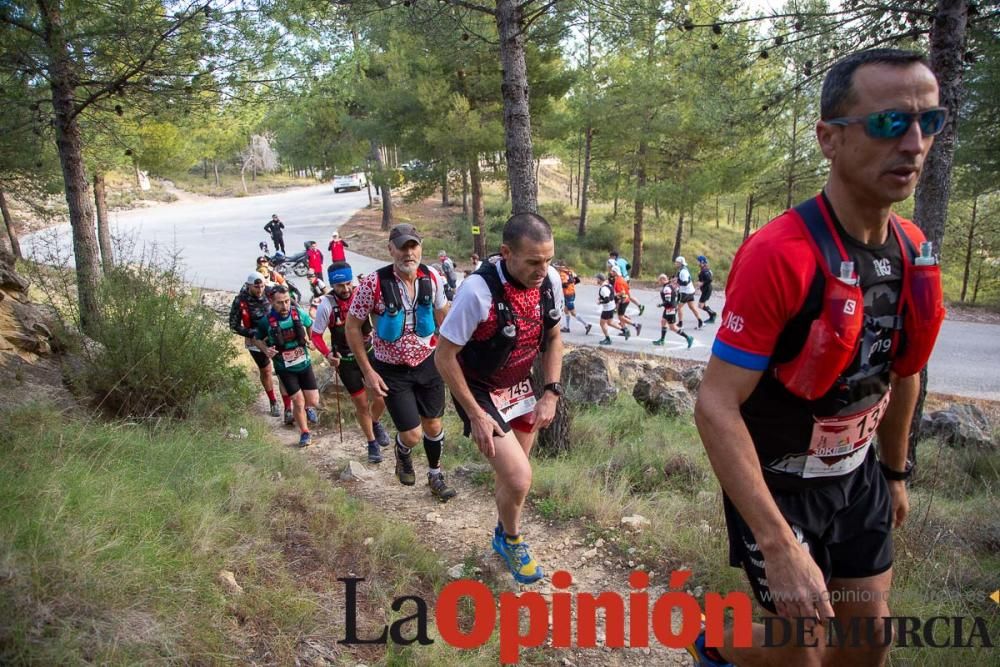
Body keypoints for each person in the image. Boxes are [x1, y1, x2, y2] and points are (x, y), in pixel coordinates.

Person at [689, 49, 947, 667]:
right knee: (800, 655)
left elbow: (902, 371)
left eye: (929, 122)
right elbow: (715, 405)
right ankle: (718, 644)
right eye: (889, 123)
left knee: (867, 643)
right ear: (829, 139)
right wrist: (777, 544)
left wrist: (894, 472)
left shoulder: (912, 248)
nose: (913, 143)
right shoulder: (780, 254)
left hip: (857, 477)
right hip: (779, 486)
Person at [435, 213, 564, 584]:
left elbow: (554, 338)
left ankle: (501, 533)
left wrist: (551, 392)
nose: (543, 270)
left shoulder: (549, 281)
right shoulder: (477, 293)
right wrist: (474, 414)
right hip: (478, 389)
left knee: (512, 476)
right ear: (506, 253)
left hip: (519, 385)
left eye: (548, 260)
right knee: (520, 478)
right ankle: (512, 539)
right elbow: (443, 357)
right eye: (533, 262)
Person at [346, 223, 457, 501]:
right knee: (412, 435)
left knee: (433, 425)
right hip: (391, 370)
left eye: (413, 246)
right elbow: (352, 326)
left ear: (420, 248)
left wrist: (455, 353)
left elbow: (444, 314)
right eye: (402, 247)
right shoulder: (373, 284)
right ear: (391, 249)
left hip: (428, 362)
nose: (409, 253)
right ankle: (402, 450)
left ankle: (435, 475)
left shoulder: (432, 277)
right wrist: (368, 372)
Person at [312, 261, 392, 463]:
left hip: (370, 354)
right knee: (361, 404)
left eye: (348, 283)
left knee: (382, 398)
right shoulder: (326, 305)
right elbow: (316, 336)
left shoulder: (362, 293)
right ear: (332, 284)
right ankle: (372, 444)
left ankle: (374, 423)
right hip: (346, 361)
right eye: (340, 286)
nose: (345, 289)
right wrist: (327, 353)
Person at [253, 285, 321, 448]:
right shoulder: (266, 322)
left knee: (312, 400)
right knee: (297, 401)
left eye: (286, 302)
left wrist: (311, 340)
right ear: (271, 301)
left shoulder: (298, 314)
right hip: (284, 368)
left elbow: (310, 324)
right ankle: (304, 432)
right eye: (279, 303)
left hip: (304, 364)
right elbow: (255, 338)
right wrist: (265, 349)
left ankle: (307, 408)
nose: (284, 306)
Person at [229, 273, 284, 416]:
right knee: (266, 370)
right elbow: (233, 324)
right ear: (248, 286)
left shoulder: (270, 292)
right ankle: (273, 401)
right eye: (256, 287)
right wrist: (251, 333)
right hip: (255, 340)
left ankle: (289, 406)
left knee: (284, 368)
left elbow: (287, 304)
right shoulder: (241, 300)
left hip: (276, 334)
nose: (260, 289)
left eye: (262, 286)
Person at [651, 274, 693, 348]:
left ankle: (688, 338)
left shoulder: (667, 288)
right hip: (669, 307)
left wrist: (660, 305)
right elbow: (678, 295)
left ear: (663, 280)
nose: (659, 283)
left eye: (659, 281)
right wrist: (676, 302)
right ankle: (662, 340)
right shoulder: (670, 286)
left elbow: (668, 301)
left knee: (672, 327)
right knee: (663, 322)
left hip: (670, 308)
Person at [556, 260, 591, 335]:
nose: (557, 268)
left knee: (573, 312)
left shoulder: (562, 274)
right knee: (566, 310)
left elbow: (564, 284)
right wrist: (571, 284)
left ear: (561, 267)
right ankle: (567, 328)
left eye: (558, 266)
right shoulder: (570, 271)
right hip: (571, 293)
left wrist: (558, 284)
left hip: (568, 294)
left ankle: (586, 325)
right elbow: (578, 280)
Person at [595, 273, 629, 345]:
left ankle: (608, 339)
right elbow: (612, 295)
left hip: (607, 309)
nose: (596, 280)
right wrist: (601, 298)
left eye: (597, 279)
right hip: (612, 307)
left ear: (599, 279)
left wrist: (600, 301)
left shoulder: (603, 288)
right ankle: (624, 330)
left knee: (602, 323)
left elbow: (607, 299)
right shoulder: (609, 285)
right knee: (609, 322)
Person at [609, 250, 644, 315]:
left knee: (623, 294)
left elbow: (615, 272)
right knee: (625, 294)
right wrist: (624, 271)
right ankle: (616, 308)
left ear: (614, 256)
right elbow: (628, 266)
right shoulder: (622, 260)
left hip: (622, 280)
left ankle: (639, 306)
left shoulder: (615, 263)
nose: (609, 258)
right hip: (626, 278)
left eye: (610, 257)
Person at [611, 265, 641, 337]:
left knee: (621, 317)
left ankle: (636, 325)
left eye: (612, 271)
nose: (611, 272)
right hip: (624, 299)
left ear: (615, 272)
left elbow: (623, 292)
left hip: (623, 300)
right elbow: (627, 288)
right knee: (620, 316)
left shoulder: (618, 281)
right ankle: (624, 329)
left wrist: (614, 296)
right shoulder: (621, 278)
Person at [674, 256, 702, 329]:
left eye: (677, 262)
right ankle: (700, 321)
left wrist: (677, 282)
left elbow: (685, 283)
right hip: (690, 291)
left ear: (680, 263)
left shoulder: (683, 271)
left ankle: (680, 323)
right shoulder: (682, 270)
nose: (675, 263)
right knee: (692, 307)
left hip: (685, 292)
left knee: (678, 307)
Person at [696, 255, 719, 324]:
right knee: (702, 304)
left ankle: (713, 314)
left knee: (700, 305)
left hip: (707, 289)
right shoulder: (703, 269)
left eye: (698, 261)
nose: (697, 262)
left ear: (701, 262)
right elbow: (703, 279)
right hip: (705, 289)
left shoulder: (705, 270)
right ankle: (712, 314)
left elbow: (709, 279)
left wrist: (702, 283)